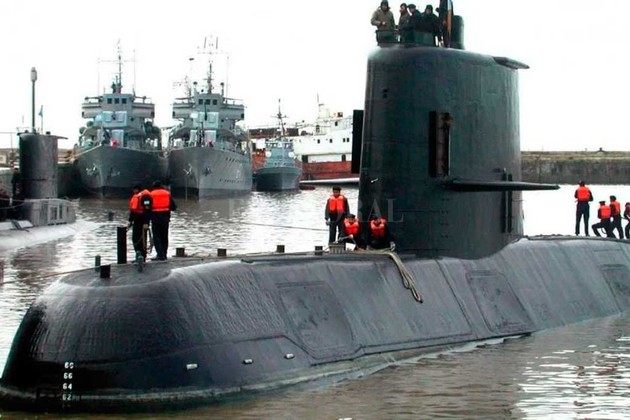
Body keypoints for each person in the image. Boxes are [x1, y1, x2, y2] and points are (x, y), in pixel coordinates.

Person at [149, 181, 177, 261]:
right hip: (165, 218)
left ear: (154, 186)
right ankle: (164, 254)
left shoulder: (151, 194)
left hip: (155, 218)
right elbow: (173, 207)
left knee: (156, 237)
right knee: (164, 236)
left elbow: (148, 207)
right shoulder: (167, 193)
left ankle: (160, 254)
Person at [127, 184, 152, 262]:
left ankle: (142, 257)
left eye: (134, 189)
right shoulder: (136, 196)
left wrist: (146, 223)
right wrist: (130, 221)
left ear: (137, 189)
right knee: (135, 239)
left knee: (142, 239)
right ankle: (138, 255)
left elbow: (147, 210)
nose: (133, 191)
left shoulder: (145, 197)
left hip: (142, 221)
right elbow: (133, 211)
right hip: (136, 221)